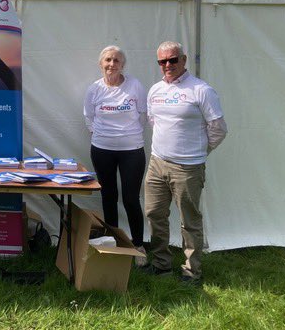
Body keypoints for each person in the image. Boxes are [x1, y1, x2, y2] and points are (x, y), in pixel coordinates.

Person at [143, 41, 227, 284]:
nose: (168, 65)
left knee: (189, 220)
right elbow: (154, 122)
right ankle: (161, 264)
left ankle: (191, 272)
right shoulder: (155, 90)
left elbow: (218, 129)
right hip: (157, 163)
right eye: (162, 61)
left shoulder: (201, 90)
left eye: (173, 60)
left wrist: (199, 152)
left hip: (188, 168)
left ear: (184, 59)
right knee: (154, 214)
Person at [84, 46, 147, 265]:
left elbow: (143, 115)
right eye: (108, 60)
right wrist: (103, 136)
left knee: (130, 198)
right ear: (101, 63)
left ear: (123, 65)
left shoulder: (135, 86)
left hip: (132, 150)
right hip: (102, 149)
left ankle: (138, 245)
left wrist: (126, 136)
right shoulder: (94, 89)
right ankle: (113, 243)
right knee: (108, 197)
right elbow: (89, 117)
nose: (112, 64)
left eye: (117, 61)